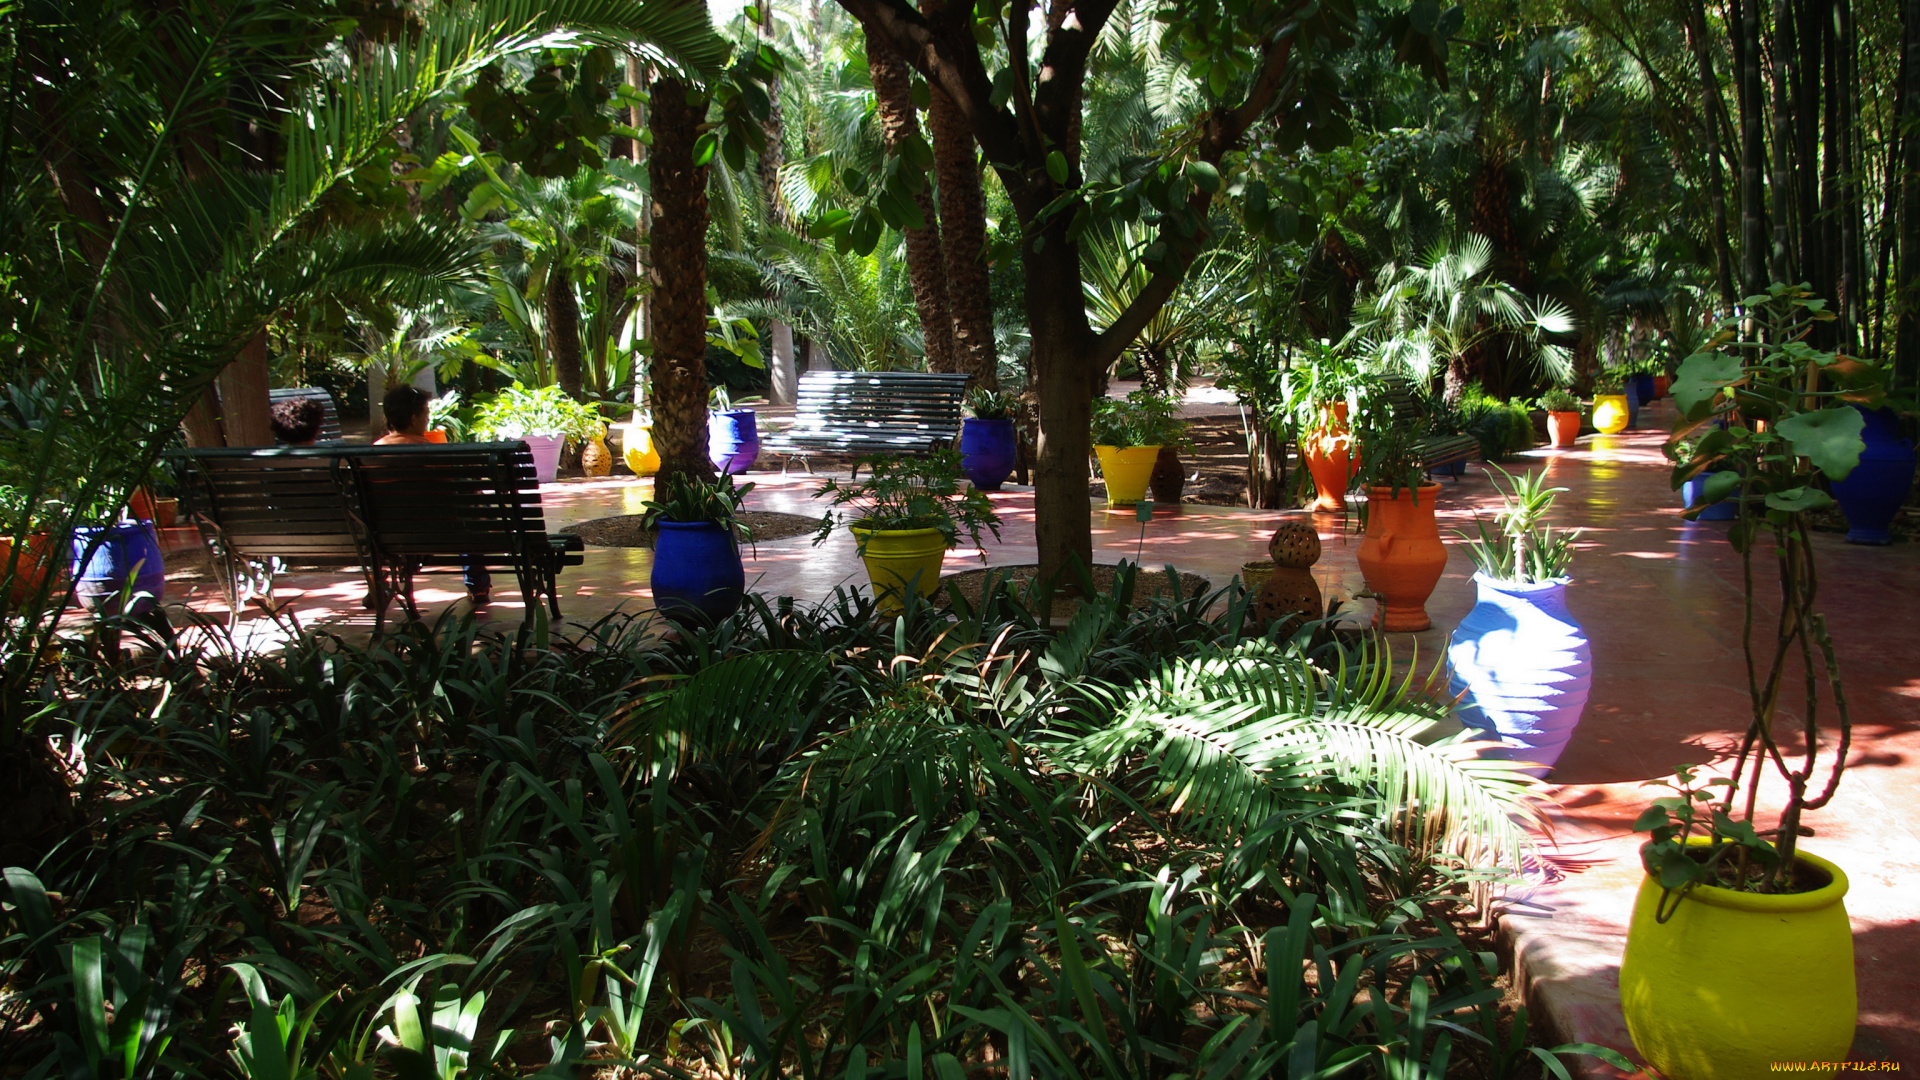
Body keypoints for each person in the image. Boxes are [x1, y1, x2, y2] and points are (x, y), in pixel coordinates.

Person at [372, 385, 491, 606]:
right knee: (471, 509)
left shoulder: (370, 455)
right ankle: (478, 585)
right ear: (413, 418)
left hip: (387, 535)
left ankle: (377, 585)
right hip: (441, 533)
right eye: (426, 414)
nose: (428, 420)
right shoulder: (432, 452)